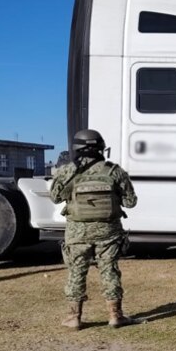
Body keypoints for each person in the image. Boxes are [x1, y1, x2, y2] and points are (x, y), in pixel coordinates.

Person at [49, 129, 138, 330]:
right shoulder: (114, 171)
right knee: (110, 271)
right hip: (109, 232)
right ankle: (115, 315)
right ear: (100, 147)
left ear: (76, 148)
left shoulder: (67, 171)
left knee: (76, 272)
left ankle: (74, 318)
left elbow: (55, 197)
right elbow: (130, 202)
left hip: (77, 233)